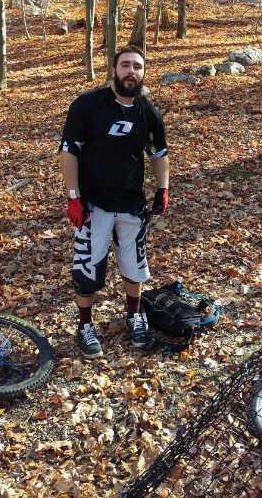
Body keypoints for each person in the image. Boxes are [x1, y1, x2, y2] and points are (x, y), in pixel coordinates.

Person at [58, 45, 169, 359]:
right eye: (126, 65)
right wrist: (73, 197)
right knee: (88, 269)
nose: (131, 71)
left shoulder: (148, 112)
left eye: (137, 66)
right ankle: (85, 325)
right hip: (93, 205)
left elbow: (159, 153)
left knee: (135, 266)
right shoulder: (88, 105)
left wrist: (163, 189)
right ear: (114, 70)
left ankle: (134, 315)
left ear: (143, 73)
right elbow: (68, 152)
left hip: (132, 205)